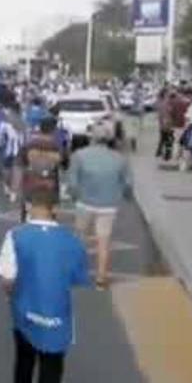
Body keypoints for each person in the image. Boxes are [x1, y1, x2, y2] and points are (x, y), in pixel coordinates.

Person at [0, 186, 90, 383]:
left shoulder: (15, 235)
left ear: (27, 206)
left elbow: (7, 278)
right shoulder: (71, 240)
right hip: (57, 317)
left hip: (24, 312)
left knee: (24, 358)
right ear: (55, 210)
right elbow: (76, 278)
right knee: (50, 378)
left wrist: (12, 293)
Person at [67, 123, 131, 289]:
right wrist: (126, 196)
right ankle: (101, 277)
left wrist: (75, 196)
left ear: (92, 137)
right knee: (103, 241)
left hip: (84, 203)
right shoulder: (119, 158)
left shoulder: (79, 155)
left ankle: (76, 273)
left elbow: (72, 182)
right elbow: (127, 183)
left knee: (80, 238)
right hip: (108, 205)